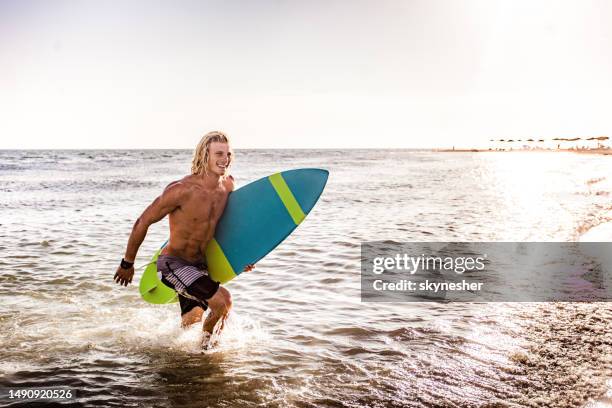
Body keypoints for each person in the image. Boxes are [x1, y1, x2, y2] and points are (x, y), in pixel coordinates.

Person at [113, 131, 253, 348]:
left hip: (200, 266)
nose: (225, 159)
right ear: (204, 155)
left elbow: (228, 226)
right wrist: (127, 263)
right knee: (223, 302)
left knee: (193, 320)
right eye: (218, 153)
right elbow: (143, 221)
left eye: (228, 153)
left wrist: (240, 258)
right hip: (173, 264)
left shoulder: (228, 186)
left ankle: (177, 357)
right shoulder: (181, 190)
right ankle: (206, 351)